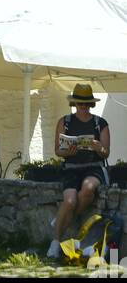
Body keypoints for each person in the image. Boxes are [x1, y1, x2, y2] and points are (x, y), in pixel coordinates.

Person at [47, 82, 110, 259]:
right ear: (74, 103)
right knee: (69, 201)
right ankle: (55, 242)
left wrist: (98, 147)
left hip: (94, 168)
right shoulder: (64, 122)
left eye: (85, 103)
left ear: (91, 104)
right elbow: (58, 151)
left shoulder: (100, 123)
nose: (82, 107)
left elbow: (106, 152)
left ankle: (60, 221)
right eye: (79, 103)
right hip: (71, 168)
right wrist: (68, 151)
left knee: (89, 188)